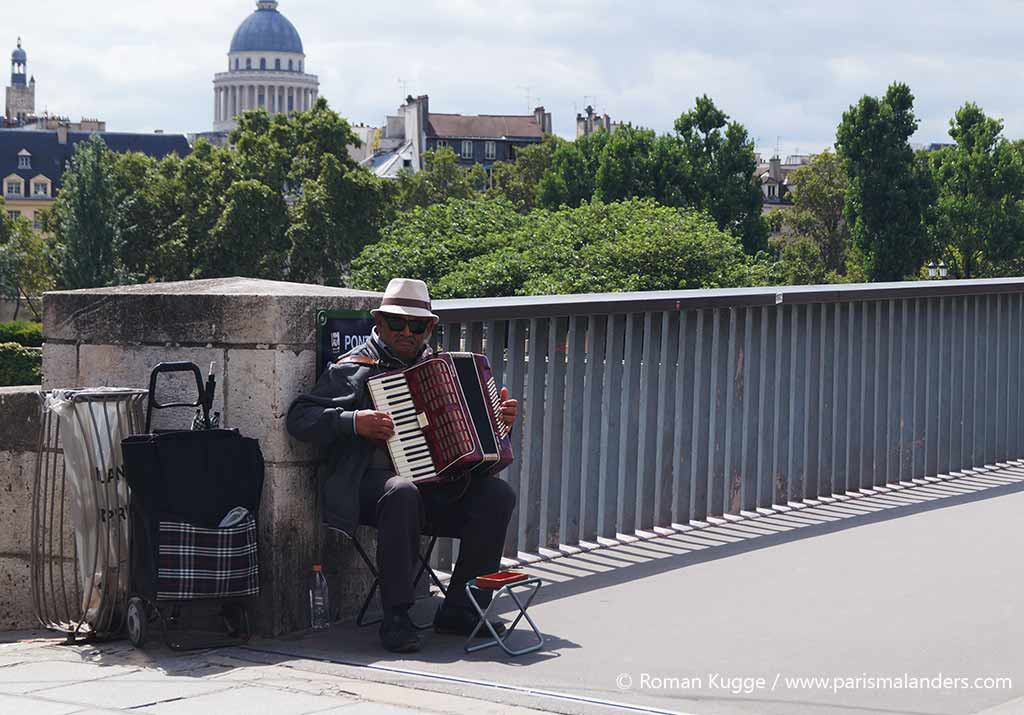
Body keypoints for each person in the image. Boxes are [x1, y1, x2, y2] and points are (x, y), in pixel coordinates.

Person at [286, 278, 518, 653]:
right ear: (379, 323)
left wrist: (500, 426)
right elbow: (299, 417)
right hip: (369, 491)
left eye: (416, 326)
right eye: (396, 323)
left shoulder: (441, 370)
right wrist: (353, 421)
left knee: (497, 495)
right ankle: (396, 615)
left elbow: (474, 454)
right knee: (402, 490)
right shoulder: (354, 368)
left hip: (432, 495)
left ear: (430, 328)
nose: (406, 333)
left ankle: (460, 607)